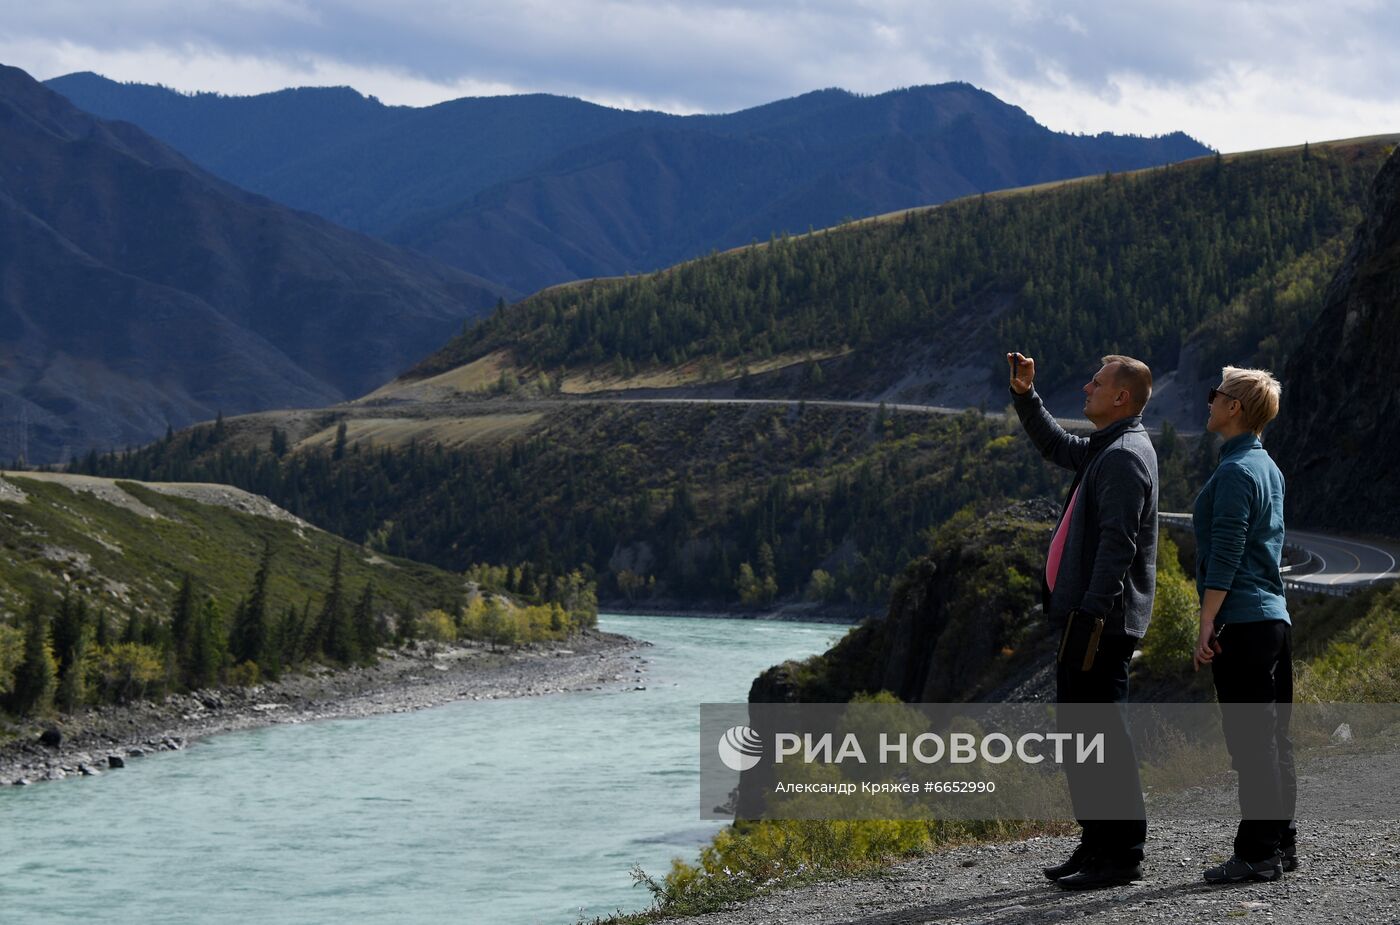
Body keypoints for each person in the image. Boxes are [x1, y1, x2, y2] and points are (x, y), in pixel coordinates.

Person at [1007, 351, 1158, 891]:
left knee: (1102, 741)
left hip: (1100, 625)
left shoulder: (1123, 457)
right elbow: (1056, 445)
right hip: (1089, 620)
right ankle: (1097, 844)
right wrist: (1027, 396)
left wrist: (1091, 613)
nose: (1086, 388)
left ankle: (1121, 856)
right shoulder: (1108, 447)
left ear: (1122, 397)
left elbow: (1119, 544)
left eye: (1096, 383)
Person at [1191, 366, 1296, 884]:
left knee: (1251, 745)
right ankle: (1282, 843)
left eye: (1217, 395)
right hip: (1274, 619)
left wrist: (1207, 621)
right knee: (1275, 739)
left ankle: (1257, 853)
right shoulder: (1267, 466)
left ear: (1235, 408)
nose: (1208, 401)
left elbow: (1227, 553)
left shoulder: (1234, 473)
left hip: (1244, 622)